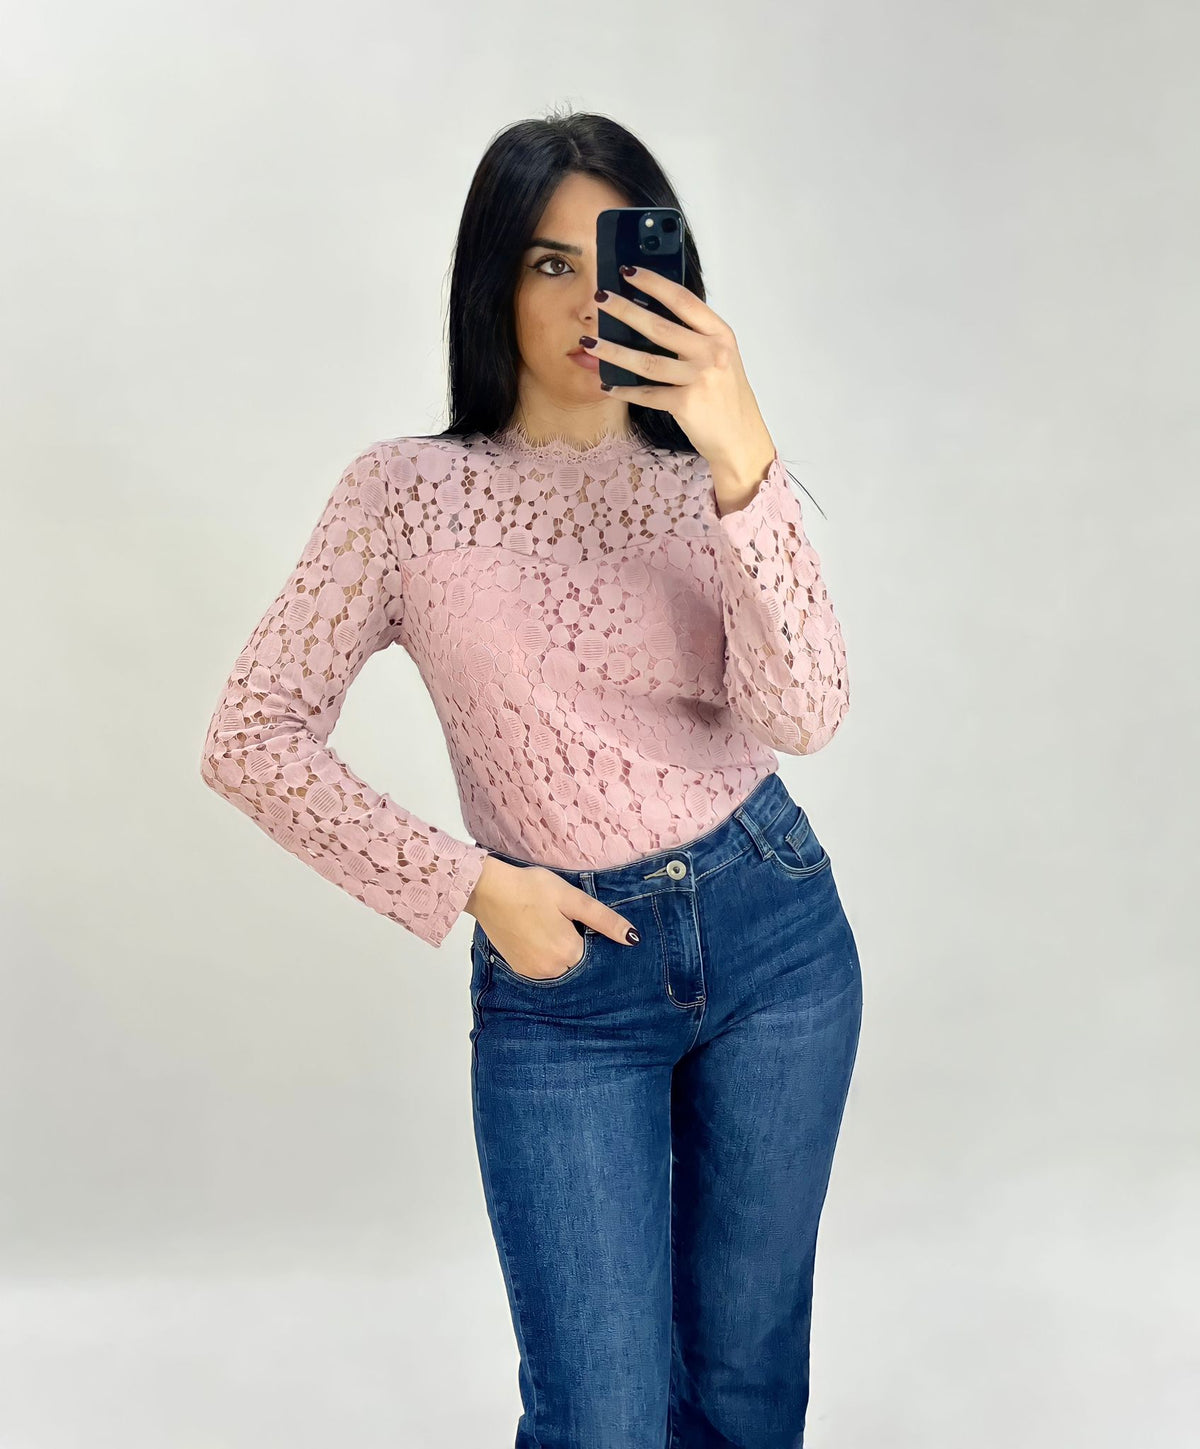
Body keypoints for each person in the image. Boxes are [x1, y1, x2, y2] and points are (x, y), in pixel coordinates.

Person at [201, 109, 862, 1448]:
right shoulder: (404, 496)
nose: (583, 299)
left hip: (775, 937)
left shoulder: (714, 482)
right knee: (598, 1417)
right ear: (492, 278)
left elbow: (804, 715)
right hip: (564, 991)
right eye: (549, 263)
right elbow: (252, 733)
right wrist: (470, 885)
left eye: (614, 258)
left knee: (744, 1386)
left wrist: (743, 453)